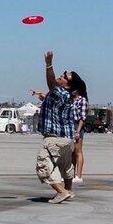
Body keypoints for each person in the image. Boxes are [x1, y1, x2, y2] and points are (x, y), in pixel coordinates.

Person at [33, 51, 76, 204]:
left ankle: (61, 191)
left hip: (54, 138)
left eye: (65, 77)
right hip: (67, 139)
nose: (61, 75)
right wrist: (43, 97)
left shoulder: (61, 93)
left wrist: (49, 64)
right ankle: (69, 190)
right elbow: (53, 98)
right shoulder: (66, 96)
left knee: (43, 165)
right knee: (66, 166)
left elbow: (51, 84)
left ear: (68, 85)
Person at [70, 76, 88, 184]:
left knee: (78, 151)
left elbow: (83, 117)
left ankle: (78, 175)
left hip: (78, 126)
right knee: (71, 152)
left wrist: (78, 131)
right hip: (70, 126)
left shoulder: (82, 100)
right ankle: (71, 173)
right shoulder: (69, 100)